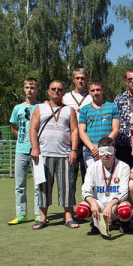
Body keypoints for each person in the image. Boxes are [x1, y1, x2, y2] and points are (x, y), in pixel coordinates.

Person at [29, 80, 79, 229]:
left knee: (67, 186)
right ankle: (43, 218)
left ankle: (68, 217)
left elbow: (74, 130)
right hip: (44, 153)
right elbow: (33, 129)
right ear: (48, 91)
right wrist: (35, 148)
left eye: (60, 89)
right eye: (53, 89)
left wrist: (73, 150)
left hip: (64, 154)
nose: (56, 91)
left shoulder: (69, 110)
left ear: (63, 92)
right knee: (43, 186)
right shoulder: (40, 108)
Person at [75, 137, 133, 235]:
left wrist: (110, 205)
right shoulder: (92, 167)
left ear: (114, 150)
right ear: (98, 151)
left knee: (125, 211)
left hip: (115, 206)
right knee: (81, 210)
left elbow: (124, 192)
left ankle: (124, 223)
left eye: (109, 151)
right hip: (98, 205)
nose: (106, 155)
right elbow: (85, 189)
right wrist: (92, 203)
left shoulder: (124, 167)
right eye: (102, 151)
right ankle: (95, 223)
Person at [8, 78, 41, 225]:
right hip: (21, 150)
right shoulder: (18, 108)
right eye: (27, 87)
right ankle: (21, 214)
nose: (29, 90)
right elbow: (13, 128)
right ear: (23, 89)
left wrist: (35, 142)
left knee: (38, 184)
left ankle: (38, 213)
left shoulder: (42, 106)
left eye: (32, 87)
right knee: (19, 184)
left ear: (37, 89)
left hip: (38, 150)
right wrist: (23, 139)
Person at [63, 68, 93, 194]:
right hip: (71, 139)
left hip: (88, 138)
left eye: (83, 78)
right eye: (78, 78)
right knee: (71, 174)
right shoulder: (65, 97)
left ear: (86, 80)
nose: (80, 80)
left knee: (88, 173)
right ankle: (70, 207)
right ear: (73, 79)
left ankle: (88, 203)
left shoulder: (92, 96)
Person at [79, 81, 120, 168]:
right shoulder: (84, 109)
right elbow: (82, 131)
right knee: (91, 176)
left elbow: (116, 129)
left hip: (107, 148)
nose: (96, 93)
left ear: (103, 91)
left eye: (98, 90)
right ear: (89, 92)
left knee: (108, 176)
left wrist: (103, 146)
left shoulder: (112, 107)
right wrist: (92, 148)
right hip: (90, 150)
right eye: (93, 90)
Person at [113, 69, 133, 167]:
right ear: (126, 81)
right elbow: (114, 120)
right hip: (123, 144)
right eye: (130, 79)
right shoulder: (119, 98)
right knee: (124, 175)